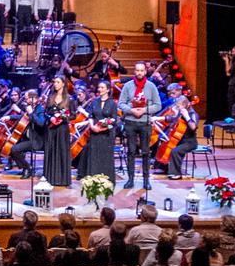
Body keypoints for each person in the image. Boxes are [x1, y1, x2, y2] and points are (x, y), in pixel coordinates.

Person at [118, 62, 161, 190]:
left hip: (145, 123)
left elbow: (158, 105)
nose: (139, 73)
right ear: (134, 71)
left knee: (146, 152)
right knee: (131, 152)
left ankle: (146, 180)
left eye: (142, 70)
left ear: (145, 72)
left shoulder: (151, 86)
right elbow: (121, 104)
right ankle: (130, 180)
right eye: (137, 70)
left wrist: (144, 110)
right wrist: (132, 110)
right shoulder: (127, 86)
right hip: (130, 122)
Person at [41, 75, 76, 187]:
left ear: (63, 84)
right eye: (54, 82)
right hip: (51, 128)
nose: (55, 84)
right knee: (50, 151)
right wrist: (50, 118)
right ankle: (49, 178)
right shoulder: (50, 97)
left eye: (57, 82)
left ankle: (63, 179)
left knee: (62, 151)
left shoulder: (69, 99)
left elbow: (73, 115)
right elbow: (45, 113)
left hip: (62, 129)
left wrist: (63, 118)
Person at [80, 80, 117, 180]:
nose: (99, 89)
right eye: (99, 87)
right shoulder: (95, 102)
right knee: (94, 156)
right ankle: (93, 178)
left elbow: (114, 121)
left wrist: (101, 128)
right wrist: (92, 126)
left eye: (102, 87)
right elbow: (91, 116)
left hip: (106, 135)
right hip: (94, 133)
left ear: (108, 90)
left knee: (105, 156)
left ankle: (105, 178)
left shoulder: (112, 103)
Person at [8, 89, 47, 179]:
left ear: (34, 98)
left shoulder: (40, 108)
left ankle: (28, 168)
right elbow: (23, 117)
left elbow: (41, 123)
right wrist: (10, 117)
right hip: (27, 138)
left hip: (36, 140)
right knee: (10, 148)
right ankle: (26, 167)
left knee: (15, 149)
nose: (25, 100)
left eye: (26, 98)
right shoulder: (30, 107)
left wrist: (31, 113)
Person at [164, 96, 199, 179]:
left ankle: (176, 174)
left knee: (175, 151)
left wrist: (187, 116)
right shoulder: (180, 114)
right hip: (180, 140)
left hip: (190, 142)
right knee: (166, 146)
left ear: (184, 105)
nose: (178, 108)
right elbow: (171, 119)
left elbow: (193, 127)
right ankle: (164, 168)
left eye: (179, 106)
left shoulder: (193, 114)